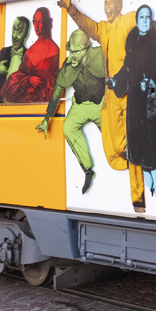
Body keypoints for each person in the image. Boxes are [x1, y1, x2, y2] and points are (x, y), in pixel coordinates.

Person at [61, 0, 145, 212]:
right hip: (111, 95)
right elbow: (86, 25)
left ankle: (139, 199)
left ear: (119, 5)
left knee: (133, 144)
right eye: (105, 3)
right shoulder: (103, 29)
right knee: (114, 144)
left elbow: (142, 20)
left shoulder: (129, 20)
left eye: (110, 3)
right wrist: (70, 8)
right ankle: (136, 157)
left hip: (129, 92)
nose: (106, 7)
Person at [111, 5, 156, 215]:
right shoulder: (131, 43)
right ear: (136, 20)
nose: (145, 20)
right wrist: (115, 80)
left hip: (152, 101)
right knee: (142, 150)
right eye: (141, 17)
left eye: (148, 17)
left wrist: (150, 81)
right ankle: (154, 187)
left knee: (152, 150)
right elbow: (126, 70)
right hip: (136, 102)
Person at [37, 30, 108, 194]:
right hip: (80, 105)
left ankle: (125, 158)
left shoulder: (99, 54)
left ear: (85, 49)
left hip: (101, 103)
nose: (72, 55)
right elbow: (57, 91)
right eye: (71, 51)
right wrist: (47, 119)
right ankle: (88, 170)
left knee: (112, 133)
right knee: (68, 127)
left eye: (76, 51)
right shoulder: (69, 64)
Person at [2, 8, 60, 103]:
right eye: (35, 21)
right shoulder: (30, 51)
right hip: (25, 105)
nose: (37, 26)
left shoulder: (54, 50)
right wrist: (28, 80)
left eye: (40, 22)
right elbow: (18, 76)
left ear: (48, 22)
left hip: (43, 105)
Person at [0, 16, 29, 103]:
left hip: (19, 107)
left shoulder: (29, 56)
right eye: (13, 30)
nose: (14, 35)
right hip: (0, 107)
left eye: (19, 31)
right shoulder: (5, 52)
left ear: (26, 34)